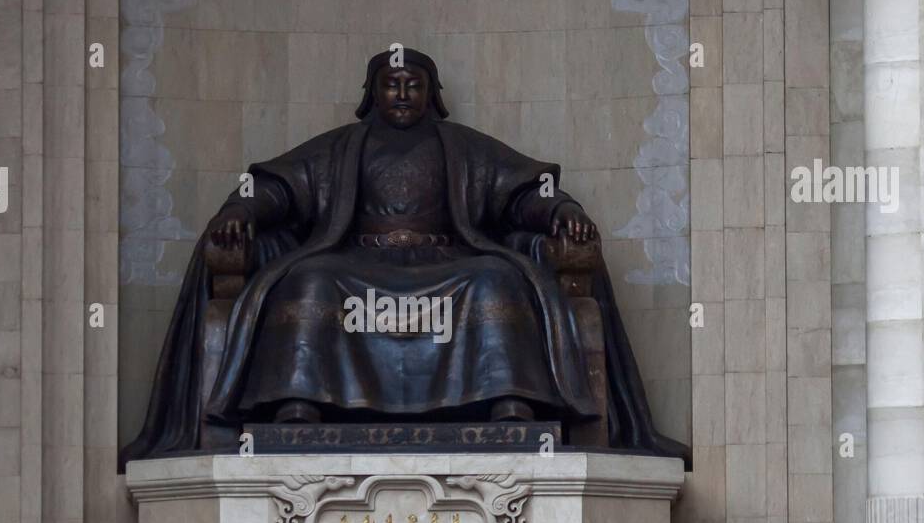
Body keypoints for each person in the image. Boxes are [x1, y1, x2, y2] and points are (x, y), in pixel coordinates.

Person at [122, 48, 688, 465]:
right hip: (355, 265)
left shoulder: (461, 146)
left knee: (494, 281)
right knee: (311, 281)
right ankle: (300, 402)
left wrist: (559, 208)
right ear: (372, 92)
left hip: (447, 264)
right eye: (390, 84)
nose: (401, 94)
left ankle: (509, 403)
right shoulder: (342, 146)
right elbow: (276, 187)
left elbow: (521, 192)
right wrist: (240, 213)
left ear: (431, 93)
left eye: (412, 84)